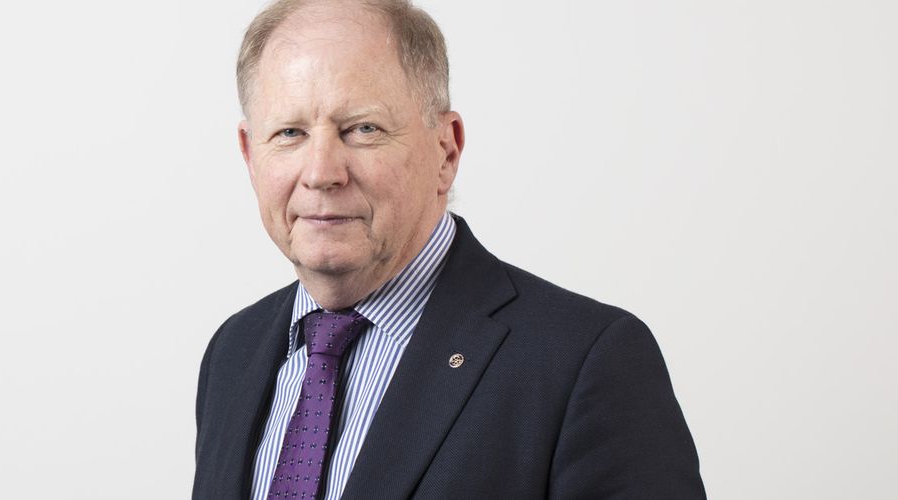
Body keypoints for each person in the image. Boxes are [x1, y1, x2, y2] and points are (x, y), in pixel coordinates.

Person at [192, 1, 705, 498]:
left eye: (363, 129)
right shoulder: (233, 353)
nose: (322, 172)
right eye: (289, 133)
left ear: (446, 150)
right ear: (250, 155)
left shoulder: (585, 362)